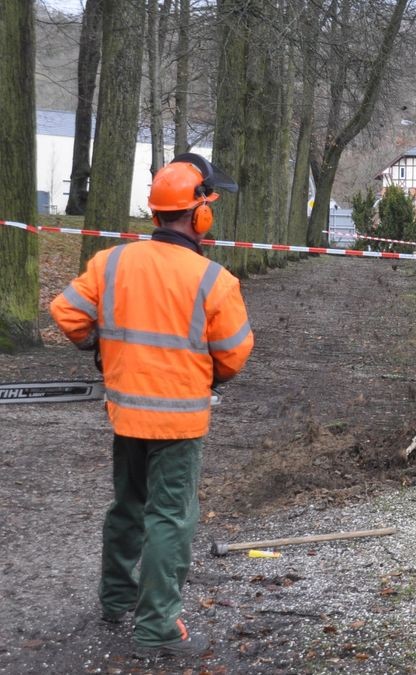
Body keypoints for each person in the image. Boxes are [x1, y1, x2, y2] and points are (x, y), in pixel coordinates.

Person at [50, 153, 254, 658]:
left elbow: (67, 314)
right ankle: (157, 625)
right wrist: (209, 374)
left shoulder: (111, 261)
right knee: (169, 516)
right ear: (199, 213)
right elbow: (234, 353)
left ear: (156, 211)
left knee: (127, 506)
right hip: (180, 422)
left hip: (126, 414)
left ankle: (116, 598)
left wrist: (101, 349)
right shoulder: (213, 280)